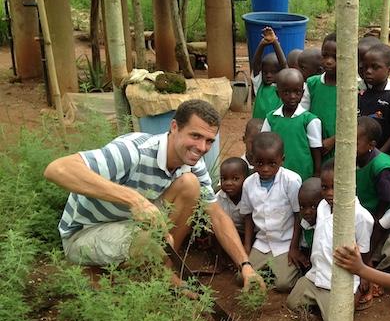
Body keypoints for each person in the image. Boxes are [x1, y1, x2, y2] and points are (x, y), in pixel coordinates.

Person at [44, 99, 260, 288]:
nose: (202, 147)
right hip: (85, 233)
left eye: (209, 140)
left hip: (132, 224)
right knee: (149, 242)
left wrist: (245, 265)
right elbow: (57, 169)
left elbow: (217, 215)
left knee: (190, 185)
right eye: (195, 136)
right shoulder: (133, 150)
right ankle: (103, 275)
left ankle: (163, 272)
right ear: (174, 127)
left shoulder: (193, 163)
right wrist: (134, 200)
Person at [287, 159, 374, 321]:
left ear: (350, 183)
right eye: (325, 187)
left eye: (335, 187)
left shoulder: (361, 217)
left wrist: (365, 277)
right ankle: (320, 302)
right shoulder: (321, 207)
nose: (329, 193)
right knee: (292, 302)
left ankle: (355, 297)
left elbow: (364, 250)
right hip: (317, 273)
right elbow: (303, 221)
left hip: (341, 279)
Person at [239, 132, 303, 292]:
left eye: (272, 164)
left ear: (282, 160)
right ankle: (268, 267)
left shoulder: (291, 181)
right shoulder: (249, 184)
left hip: (285, 242)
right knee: (242, 277)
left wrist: (294, 247)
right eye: (259, 163)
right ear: (252, 160)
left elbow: (298, 215)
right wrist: (247, 246)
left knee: (284, 284)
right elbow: (247, 216)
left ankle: (282, 269)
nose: (265, 169)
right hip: (262, 241)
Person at [262, 68, 322, 181]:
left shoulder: (310, 120)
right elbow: (264, 144)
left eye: (297, 92)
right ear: (277, 93)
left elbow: (316, 150)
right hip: (277, 175)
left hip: (303, 173)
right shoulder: (271, 118)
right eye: (286, 92)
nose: (292, 96)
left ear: (303, 93)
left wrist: (317, 174)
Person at [358, 43, 390, 157]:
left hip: (383, 155)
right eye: (365, 67)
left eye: (375, 67)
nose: (368, 71)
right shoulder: (359, 92)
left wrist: (379, 155)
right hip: (359, 154)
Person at [355, 116, 390, 218]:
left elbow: (386, 200)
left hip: (385, 214)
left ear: (371, 145)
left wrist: (377, 221)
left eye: (355, 143)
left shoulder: (382, 168)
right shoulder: (355, 157)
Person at [306, 33, 338, 156]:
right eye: (325, 56)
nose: (329, 61)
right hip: (315, 147)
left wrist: (333, 140)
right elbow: (303, 115)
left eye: (335, 57)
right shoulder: (312, 84)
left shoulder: (355, 88)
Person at [251, 27, 287, 121]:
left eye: (273, 72)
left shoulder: (282, 87)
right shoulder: (259, 84)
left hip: (275, 128)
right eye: (265, 72)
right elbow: (256, 64)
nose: (268, 75)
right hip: (259, 129)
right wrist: (262, 44)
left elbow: (284, 65)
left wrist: (274, 41)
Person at [216, 157, 250, 236]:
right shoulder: (219, 197)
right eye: (224, 179)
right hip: (229, 232)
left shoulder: (250, 197)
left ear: (246, 179)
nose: (228, 183)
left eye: (235, 178)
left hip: (249, 233)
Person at [298, 176, 322, 264]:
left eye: (313, 207)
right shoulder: (304, 223)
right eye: (302, 207)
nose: (307, 212)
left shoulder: (326, 227)